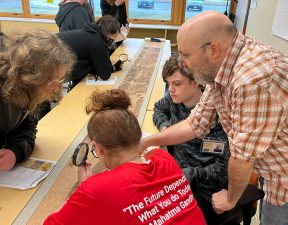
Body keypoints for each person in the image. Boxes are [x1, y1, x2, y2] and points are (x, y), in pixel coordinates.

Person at [142, 11, 288, 225]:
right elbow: (195, 124)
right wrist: (147, 142)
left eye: (186, 55)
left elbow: (242, 159)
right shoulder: (222, 66)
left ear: (213, 49)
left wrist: (230, 198)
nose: (183, 62)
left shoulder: (251, 80)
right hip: (272, 170)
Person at [43, 89, 206, 225]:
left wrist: (83, 187)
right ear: (137, 136)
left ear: (99, 148)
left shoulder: (96, 189)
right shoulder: (163, 157)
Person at [153, 56, 230, 224]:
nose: (170, 89)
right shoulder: (174, 100)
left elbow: (223, 169)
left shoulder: (217, 118)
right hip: (177, 172)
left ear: (196, 82)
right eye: (168, 83)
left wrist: (189, 174)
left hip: (203, 184)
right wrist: (165, 127)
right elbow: (158, 108)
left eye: (177, 84)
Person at [0, 29, 75, 171]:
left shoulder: (30, 91)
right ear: (29, 76)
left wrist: (15, 152)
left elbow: (27, 125)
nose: (56, 88)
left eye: (59, 79)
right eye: (51, 80)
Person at [57, 15, 123, 89]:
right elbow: (105, 75)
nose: (115, 38)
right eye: (116, 36)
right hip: (54, 56)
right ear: (108, 34)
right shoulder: (98, 43)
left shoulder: (90, 31)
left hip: (52, 44)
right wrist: (113, 68)